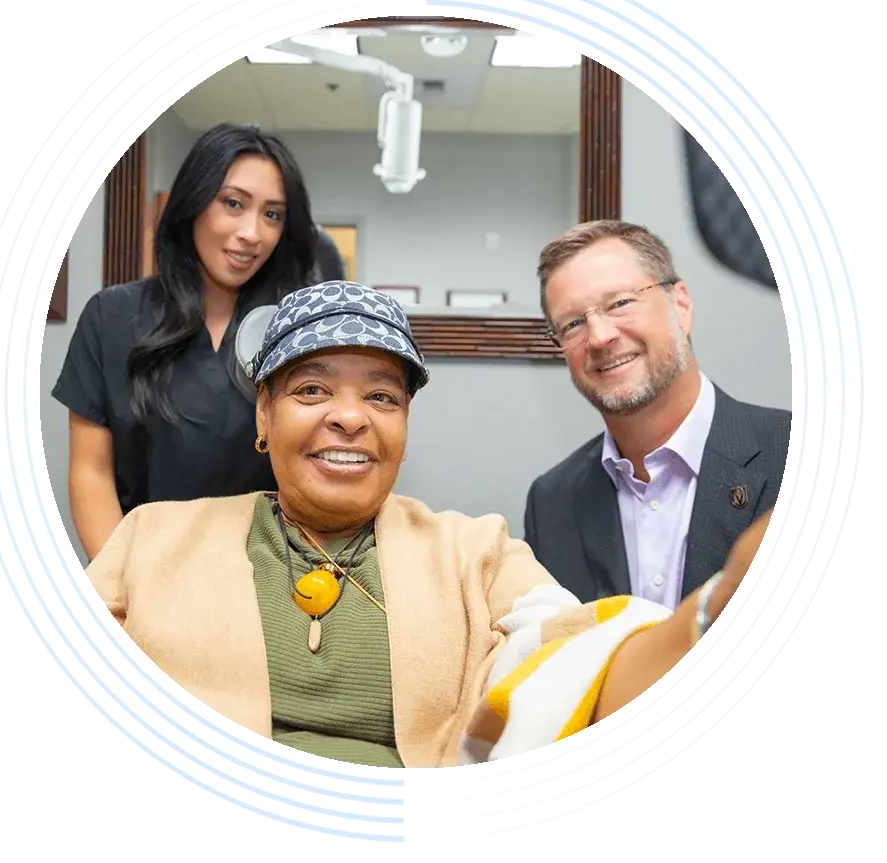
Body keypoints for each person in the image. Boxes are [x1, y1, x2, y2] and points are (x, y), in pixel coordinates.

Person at [85, 280, 774, 769]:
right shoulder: (151, 540)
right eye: (311, 389)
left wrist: (715, 608)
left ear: (403, 429)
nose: (349, 416)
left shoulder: (474, 553)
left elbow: (586, 672)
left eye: (381, 395)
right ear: (263, 416)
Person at [52, 122, 323, 561]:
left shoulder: (298, 328)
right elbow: (91, 473)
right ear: (193, 203)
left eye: (272, 214)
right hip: (143, 572)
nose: (252, 233)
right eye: (233, 204)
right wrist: (122, 586)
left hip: (273, 579)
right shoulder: (112, 316)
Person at [524, 220, 791, 608]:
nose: (599, 337)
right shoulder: (552, 504)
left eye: (620, 303)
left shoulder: (808, 456)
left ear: (680, 305)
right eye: (574, 324)